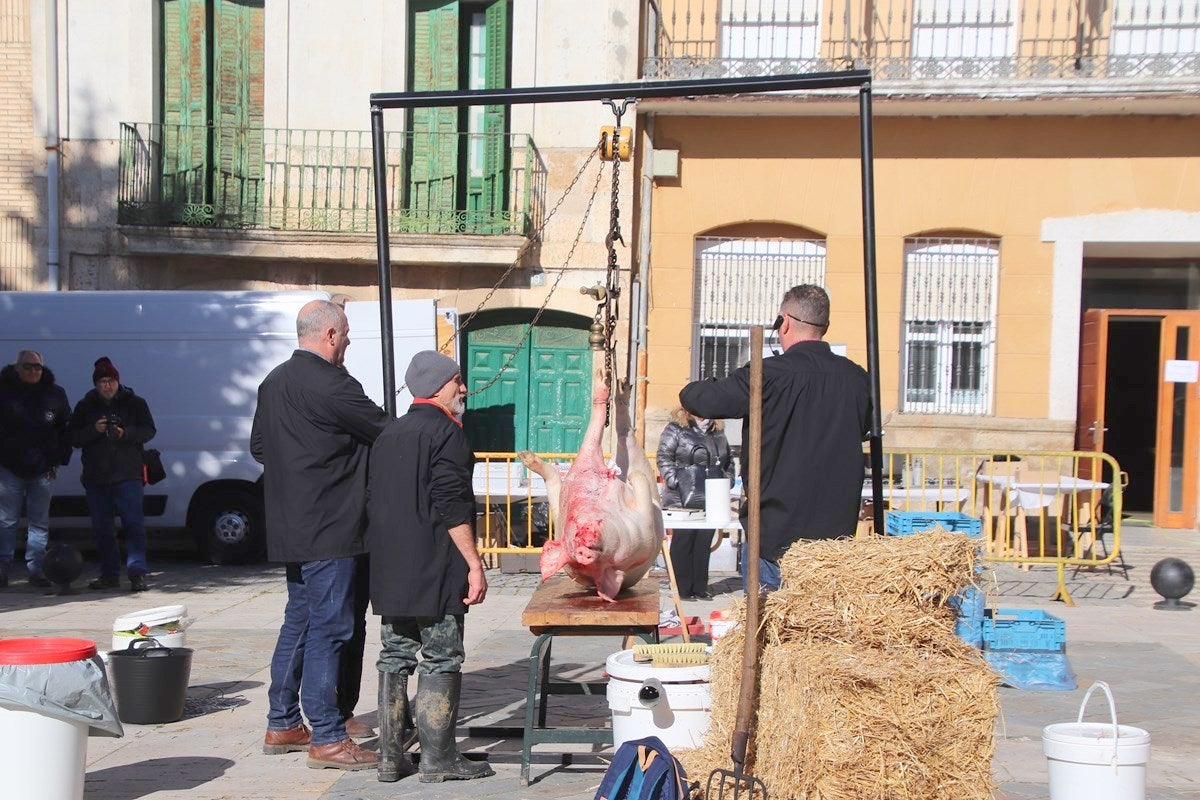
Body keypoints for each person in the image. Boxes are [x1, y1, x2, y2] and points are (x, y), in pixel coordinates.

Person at [250, 299, 390, 771]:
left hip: (294, 524)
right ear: (329, 334)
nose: (348, 340)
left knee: (302, 622)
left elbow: (259, 447)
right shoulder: (333, 384)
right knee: (331, 628)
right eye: (346, 332)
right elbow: (384, 432)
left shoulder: (273, 382)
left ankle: (283, 721)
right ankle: (327, 736)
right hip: (332, 527)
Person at [680, 284, 871, 591]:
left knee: (769, 634)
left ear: (784, 322)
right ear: (825, 327)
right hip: (835, 546)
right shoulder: (857, 379)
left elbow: (697, 399)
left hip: (776, 540)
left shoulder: (766, 375)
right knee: (823, 635)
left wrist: (709, 383)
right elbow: (867, 427)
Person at [366, 350, 493, 783]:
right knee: (441, 657)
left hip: (390, 566)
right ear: (440, 385)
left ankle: (389, 757)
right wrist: (474, 563)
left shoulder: (390, 433)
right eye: (458, 381)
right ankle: (438, 759)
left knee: (394, 656)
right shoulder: (447, 433)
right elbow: (452, 506)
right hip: (435, 565)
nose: (463, 389)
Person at [69, 357, 156, 592]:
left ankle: (137, 573)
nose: (107, 386)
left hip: (128, 475)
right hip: (97, 477)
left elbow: (149, 430)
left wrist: (124, 433)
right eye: (102, 381)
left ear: (118, 381)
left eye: (111, 380)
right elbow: (73, 437)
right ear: (96, 384)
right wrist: (93, 430)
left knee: (134, 526)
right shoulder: (85, 406)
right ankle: (109, 574)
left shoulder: (135, 403)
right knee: (102, 529)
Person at [0, 349, 72, 589]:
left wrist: (59, 459)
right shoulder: (4, 392)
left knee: (39, 522)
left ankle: (37, 569)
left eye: (37, 367)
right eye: (28, 366)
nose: (34, 371)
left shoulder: (55, 394)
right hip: (9, 467)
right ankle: (3, 567)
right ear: (17, 368)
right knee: (7, 520)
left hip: (43, 469)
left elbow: (65, 429)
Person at [656, 408, 732, 600]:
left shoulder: (717, 432)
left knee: (703, 541)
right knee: (684, 540)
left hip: (712, 496)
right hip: (682, 497)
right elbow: (664, 456)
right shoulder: (676, 429)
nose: (702, 413)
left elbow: (728, 461)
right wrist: (675, 481)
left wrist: (727, 480)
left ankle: (700, 587)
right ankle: (682, 588)